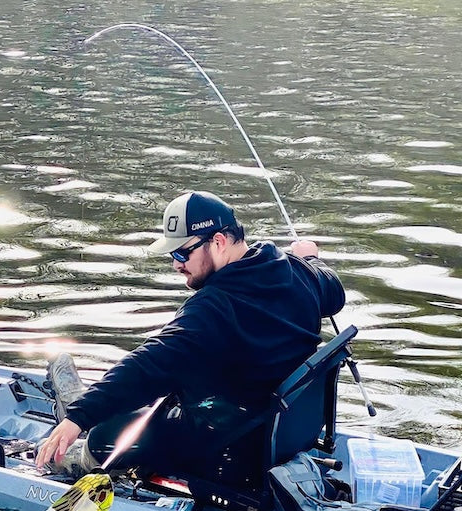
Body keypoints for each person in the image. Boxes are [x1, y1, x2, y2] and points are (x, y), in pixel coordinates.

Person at [36, 191, 345, 487]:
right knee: (150, 397)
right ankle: (82, 403)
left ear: (219, 242)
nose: (175, 263)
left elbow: (149, 364)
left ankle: (78, 449)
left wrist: (79, 417)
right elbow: (334, 292)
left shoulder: (212, 308)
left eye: (183, 252)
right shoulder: (296, 271)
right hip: (279, 436)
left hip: (228, 453)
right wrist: (310, 260)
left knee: (106, 433)